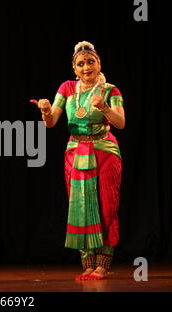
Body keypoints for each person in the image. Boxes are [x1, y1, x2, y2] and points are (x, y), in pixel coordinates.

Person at [32, 41, 125, 280]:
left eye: (90, 62)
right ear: (74, 68)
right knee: (80, 207)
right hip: (76, 152)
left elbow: (120, 122)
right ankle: (88, 263)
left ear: (99, 63)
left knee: (107, 205)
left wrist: (103, 107)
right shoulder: (67, 88)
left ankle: (103, 263)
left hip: (104, 150)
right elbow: (51, 121)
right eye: (81, 64)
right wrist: (44, 110)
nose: (86, 67)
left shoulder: (110, 91)